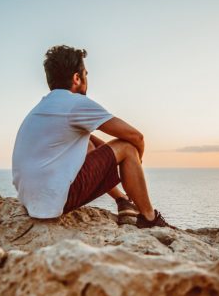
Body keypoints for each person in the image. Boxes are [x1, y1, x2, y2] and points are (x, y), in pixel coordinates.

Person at [12, 45, 173, 228]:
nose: (87, 79)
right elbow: (136, 137)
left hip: (31, 201)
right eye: (86, 74)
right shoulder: (76, 103)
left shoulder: (42, 108)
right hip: (55, 201)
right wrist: (135, 161)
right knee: (127, 148)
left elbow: (101, 150)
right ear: (77, 78)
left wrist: (121, 166)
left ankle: (123, 201)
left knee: (88, 144)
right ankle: (149, 218)